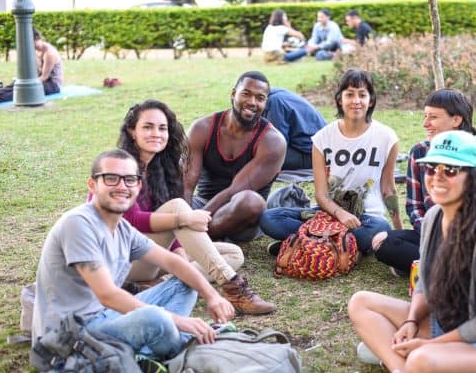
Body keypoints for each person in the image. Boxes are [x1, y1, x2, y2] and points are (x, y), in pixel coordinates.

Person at [348, 130, 476, 373]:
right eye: (431, 168)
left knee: (422, 360)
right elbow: (424, 279)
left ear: (473, 178)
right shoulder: (434, 216)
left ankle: (415, 368)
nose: (437, 177)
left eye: (450, 170)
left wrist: (431, 346)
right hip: (446, 322)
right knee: (360, 302)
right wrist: (411, 321)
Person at [32, 150, 235, 361]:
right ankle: (179, 348)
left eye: (130, 180)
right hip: (71, 336)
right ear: (92, 185)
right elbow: (107, 294)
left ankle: (153, 354)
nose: (121, 186)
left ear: (138, 187)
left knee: (185, 283)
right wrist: (177, 320)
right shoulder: (78, 224)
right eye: (111, 178)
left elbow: (171, 262)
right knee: (157, 319)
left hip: (105, 316)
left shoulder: (121, 228)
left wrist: (212, 296)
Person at [117, 99, 275, 315]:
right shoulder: (120, 167)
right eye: (147, 127)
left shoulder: (159, 169)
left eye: (162, 128)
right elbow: (131, 221)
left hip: (151, 256)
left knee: (233, 254)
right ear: (131, 131)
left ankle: (160, 285)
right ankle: (233, 286)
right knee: (179, 208)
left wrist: (180, 256)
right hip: (123, 259)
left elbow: (168, 231)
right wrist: (183, 219)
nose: (156, 133)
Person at [260, 69, 402, 255]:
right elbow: (321, 195)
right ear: (339, 99)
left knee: (379, 228)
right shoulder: (322, 138)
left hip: (365, 220)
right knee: (269, 218)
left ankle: (304, 244)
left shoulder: (387, 137)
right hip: (326, 214)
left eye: (362, 95)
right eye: (349, 94)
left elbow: (388, 189)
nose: (356, 101)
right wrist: (340, 213)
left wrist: (399, 230)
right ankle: (337, 247)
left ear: (371, 100)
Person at [372, 89, 476, 277]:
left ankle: (426, 266)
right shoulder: (419, 152)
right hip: (430, 234)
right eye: (425, 116)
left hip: (470, 238)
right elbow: (415, 206)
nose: (426, 123)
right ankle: (449, 269)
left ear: (456, 120)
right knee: (382, 241)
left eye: (433, 117)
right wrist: (434, 231)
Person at [184, 71, 287, 243]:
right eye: (246, 94)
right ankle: (195, 237)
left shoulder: (273, 142)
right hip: (202, 203)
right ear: (233, 94)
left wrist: (193, 223)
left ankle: (192, 239)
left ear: (265, 102)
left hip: (241, 217)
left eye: (260, 98)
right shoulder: (202, 128)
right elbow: (187, 184)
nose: (252, 102)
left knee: (251, 201)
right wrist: (186, 216)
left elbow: (235, 190)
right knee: (164, 189)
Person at [0, 28, 63, 104]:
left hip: (52, 85)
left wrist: (27, 83)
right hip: (39, 80)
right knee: (17, 83)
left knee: (25, 90)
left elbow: (44, 77)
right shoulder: (35, 50)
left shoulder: (49, 53)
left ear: (37, 38)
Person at [263, 87, 327, 171]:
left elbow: (277, 146)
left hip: (314, 155)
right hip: (309, 147)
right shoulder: (275, 95)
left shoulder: (275, 101)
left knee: (262, 157)